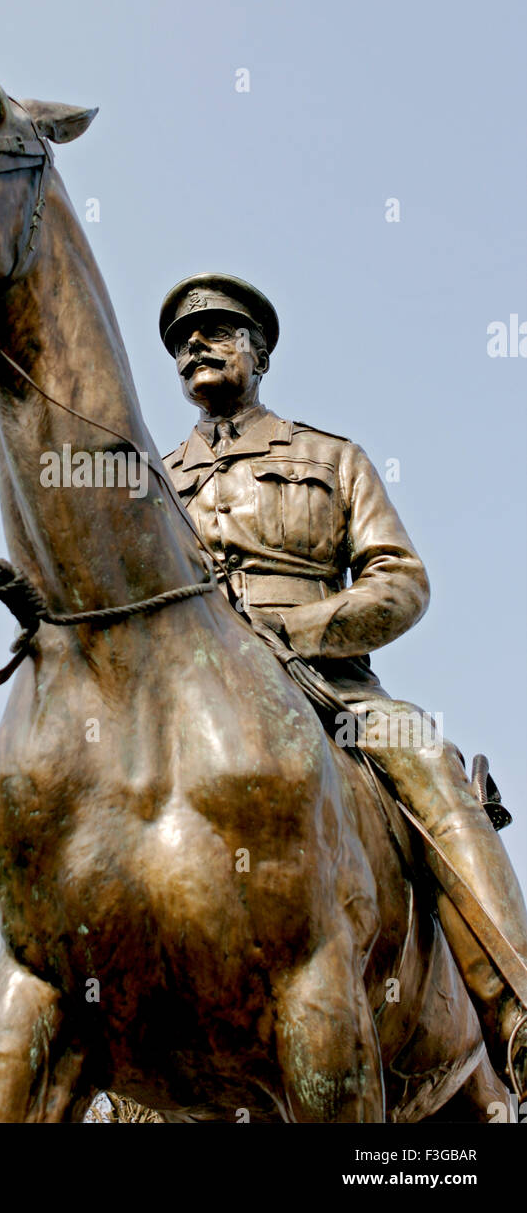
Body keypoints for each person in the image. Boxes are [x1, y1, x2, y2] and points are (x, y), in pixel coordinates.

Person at [160, 270, 527, 1095]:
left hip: (329, 691)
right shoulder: (152, 482)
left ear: (258, 353)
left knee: (426, 760)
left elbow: (400, 580)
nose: (195, 345)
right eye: (184, 339)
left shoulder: (328, 457)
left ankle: (514, 1010)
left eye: (217, 330)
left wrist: (298, 630)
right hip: (184, 694)